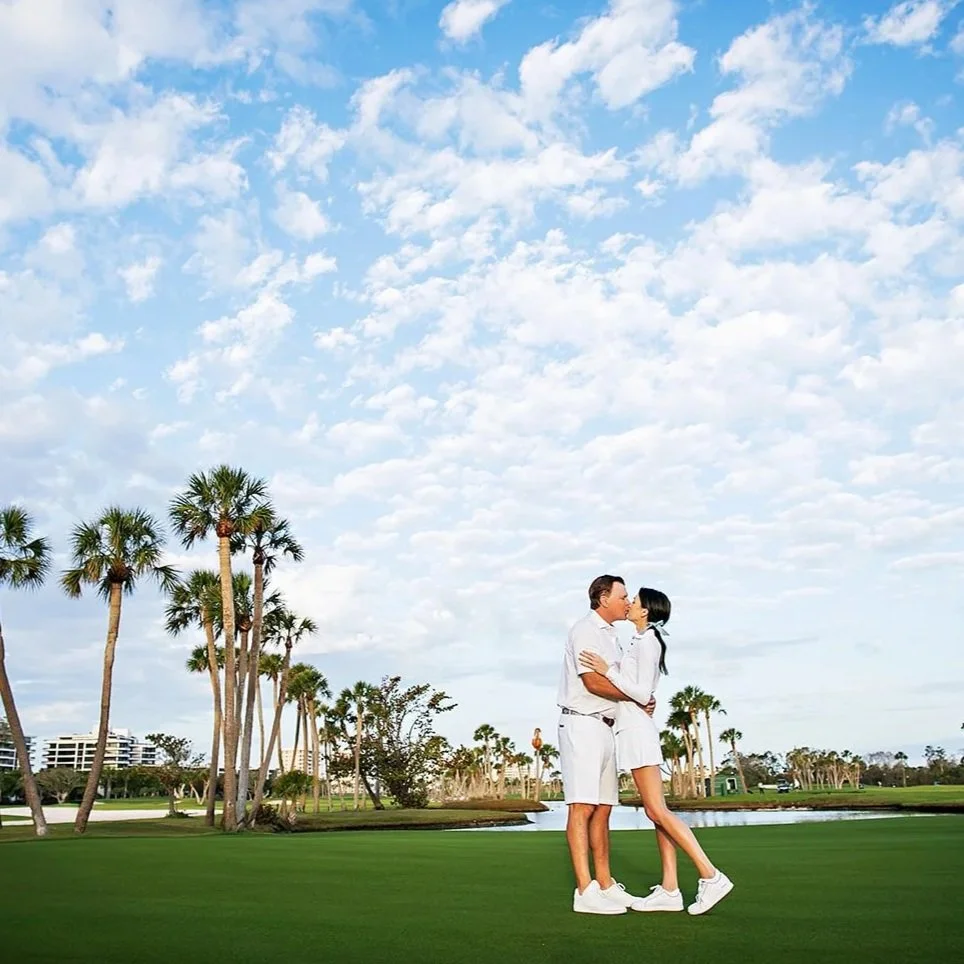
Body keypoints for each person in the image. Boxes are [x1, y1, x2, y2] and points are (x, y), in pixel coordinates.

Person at [579, 587, 734, 916]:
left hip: (637, 733)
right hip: (633, 730)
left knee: (657, 812)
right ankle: (669, 889)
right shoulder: (640, 639)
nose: (630, 604)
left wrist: (607, 670)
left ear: (646, 611)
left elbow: (640, 690)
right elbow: (642, 691)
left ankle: (711, 875)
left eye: (634, 600)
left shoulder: (648, 641)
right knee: (656, 812)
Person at [557, 574, 655, 915]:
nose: (628, 602)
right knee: (581, 807)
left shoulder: (614, 637)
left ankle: (605, 884)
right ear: (603, 598)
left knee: (603, 809)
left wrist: (639, 700)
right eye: (623, 596)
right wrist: (636, 697)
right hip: (581, 724)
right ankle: (585, 891)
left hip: (606, 727)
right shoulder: (585, 630)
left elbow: (621, 683)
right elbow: (593, 681)